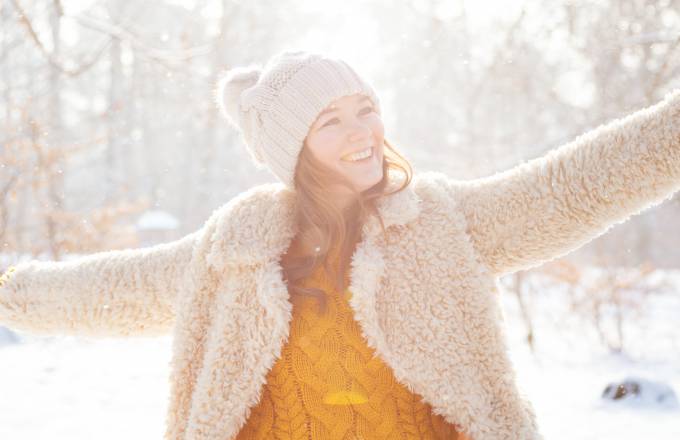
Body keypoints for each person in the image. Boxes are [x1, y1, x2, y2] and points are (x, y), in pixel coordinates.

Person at [0, 49, 679, 440]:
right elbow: (118, 289)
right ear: (291, 151)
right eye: (332, 120)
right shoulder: (238, 246)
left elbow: (576, 186)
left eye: (367, 108)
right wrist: (10, 294)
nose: (363, 132)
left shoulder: (442, 220)